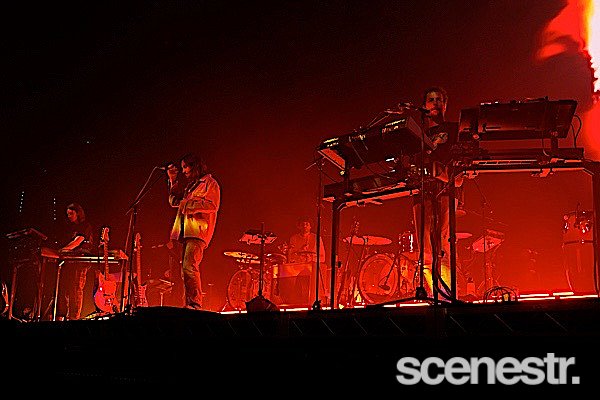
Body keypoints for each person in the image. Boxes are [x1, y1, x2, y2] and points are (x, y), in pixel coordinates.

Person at [410, 86, 463, 301]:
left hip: (446, 191)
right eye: (431, 100)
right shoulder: (416, 133)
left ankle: (448, 295)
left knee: (443, 243)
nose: (436, 103)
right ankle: (434, 296)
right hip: (422, 193)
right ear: (424, 106)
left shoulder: (454, 129)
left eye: (439, 99)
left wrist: (444, 174)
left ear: (446, 104)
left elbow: (461, 168)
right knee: (424, 247)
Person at [166, 153, 220, 310]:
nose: (183, 171)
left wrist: (188, 205)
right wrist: (173, 180)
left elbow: (212, 205)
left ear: (195, 166)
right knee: (185, 270)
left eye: (185, 167)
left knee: (190, 266)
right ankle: (189, 303)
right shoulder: (191, 186)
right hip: (184, 232)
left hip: (198, 232)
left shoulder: (210, 183)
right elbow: (174, 201)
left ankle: (195, 304)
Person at [56, 203, 95, 320]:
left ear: (78, 213)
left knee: (76, 289)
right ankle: (64, 315)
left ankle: (74, 317)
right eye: (67, 214)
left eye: (71, 213)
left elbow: (78, 241)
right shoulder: (70, 227)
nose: (69, 216)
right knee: (66, 290)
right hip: (70, 262)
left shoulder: (85, 226)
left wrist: (63, 250)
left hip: (80, 261)